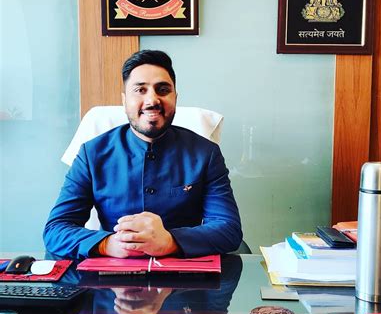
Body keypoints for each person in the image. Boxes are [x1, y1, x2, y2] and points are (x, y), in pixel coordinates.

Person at [43, 50, 242, 259]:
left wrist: (169, 241)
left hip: (185, 274)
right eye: (140, 90)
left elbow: (228, 229)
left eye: (163, 90)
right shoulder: (91, 154)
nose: (152, 100)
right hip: (112, 273)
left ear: (175, 98)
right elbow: (56, 229)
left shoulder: (206, 154)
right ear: (124, 100)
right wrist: (107, 244)